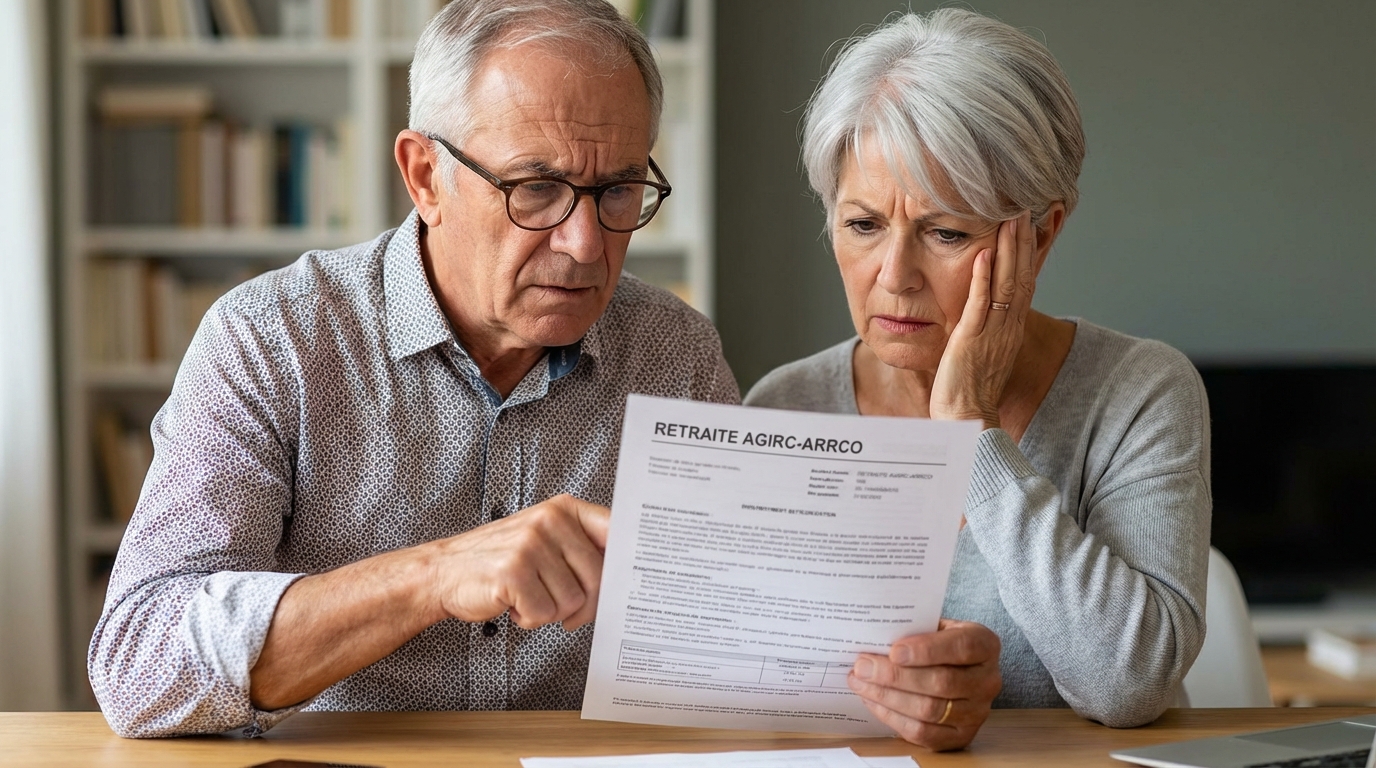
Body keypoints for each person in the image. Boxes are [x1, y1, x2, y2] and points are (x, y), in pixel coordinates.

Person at [89, 0, 737, 738]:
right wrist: (432, 576)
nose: (586, 244)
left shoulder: (676, 355)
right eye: (535, 189)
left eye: (618, 190)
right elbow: (139, 665)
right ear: (426, 176)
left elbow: (729, 635)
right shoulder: (273, 340)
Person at [744, 8, 1210, 751]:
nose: (894, 276)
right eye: (863, 225)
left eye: (945, 232)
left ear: (1042, 234)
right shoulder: (784, 408)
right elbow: (756, 691)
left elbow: (1130, 685)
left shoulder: (1139, 391)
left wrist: (970, 429)